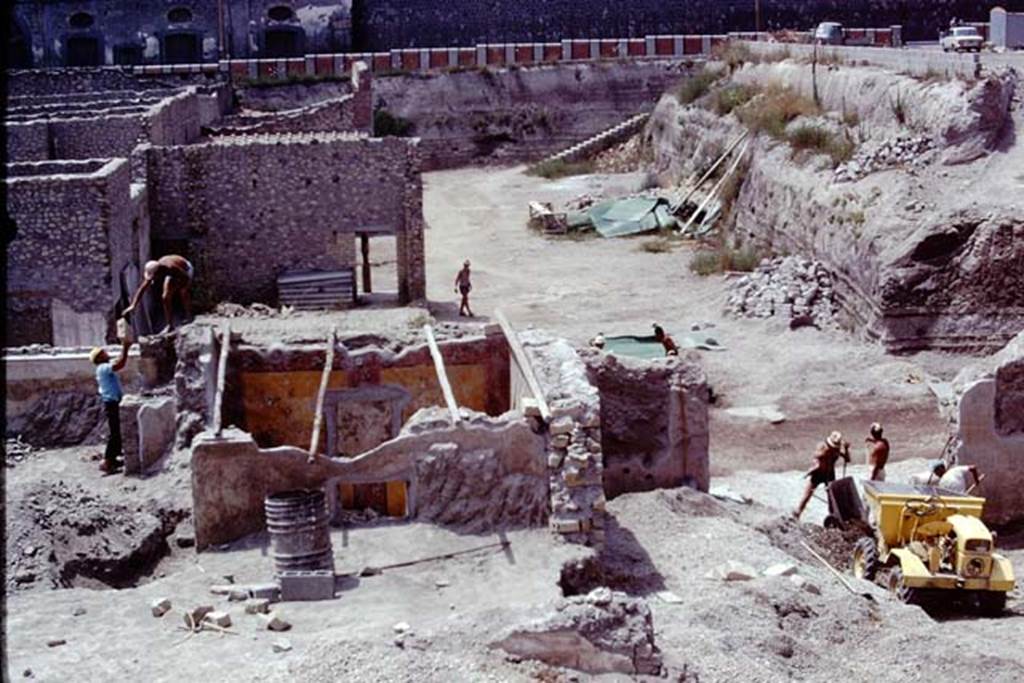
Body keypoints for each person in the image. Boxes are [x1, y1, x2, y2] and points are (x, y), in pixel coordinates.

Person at [90, 338, 132, 475]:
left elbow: (118, 360)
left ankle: (113, 459)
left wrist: (124, 347)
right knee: (114, 433)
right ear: (100, 358)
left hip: (113, 402)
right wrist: (126, 347)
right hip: (112, 403)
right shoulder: (103, 368)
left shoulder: (103, 367)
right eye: (104, 352)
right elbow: (120, 364)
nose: (107, 353)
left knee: (117, 431)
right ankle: (107, 461)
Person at [123, 255, 194, 333]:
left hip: (185, 269)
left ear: (158, 272)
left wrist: (180, 287)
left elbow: (185, 278)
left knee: (183, 292)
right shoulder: (156, 270)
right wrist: (133, 305)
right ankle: (169, 325)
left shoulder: (171, 268)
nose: (153, 279)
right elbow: (142, 288)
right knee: (165, 297)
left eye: (154, 277)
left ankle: (189, 316)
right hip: (172, 273)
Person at [794, 430, 851, 519]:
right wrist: (812, 469)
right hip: (818, 474)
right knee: (807, 495)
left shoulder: (837, 449)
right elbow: (816, 459)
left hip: (830, 474)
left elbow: (847, 459)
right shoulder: (822, 447)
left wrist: (846, 449)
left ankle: (833, 517)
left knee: (832, 498)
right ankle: (797, 514)